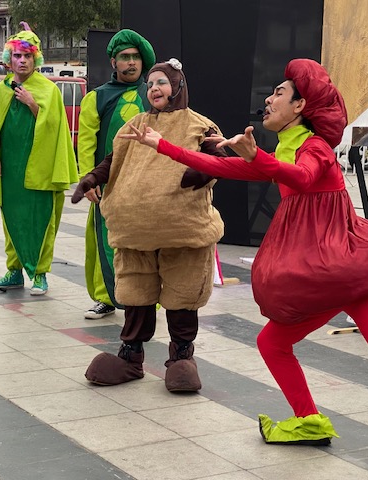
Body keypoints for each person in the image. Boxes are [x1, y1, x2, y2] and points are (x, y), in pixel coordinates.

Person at [120, 59, 368, 479]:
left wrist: (256, 156)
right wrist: (160, 144)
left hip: (348, 268)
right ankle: (308, 419)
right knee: (273, 343)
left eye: (279, 92)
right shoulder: (283, 147)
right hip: (323, 271)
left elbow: (300, 177)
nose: (269, 98)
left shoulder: (312, 147)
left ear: (299, 107)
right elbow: (224, 167)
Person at [72, 58, 225, 392]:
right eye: (151, 83)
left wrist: (202, 170)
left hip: (182, 230)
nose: (154, 88)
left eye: (162, 82)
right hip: (134, 231)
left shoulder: (199, 125)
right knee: (137, 294)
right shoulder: (136, 124)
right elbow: (113, 161)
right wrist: (91, 178)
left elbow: (221, 155)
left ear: (178, 86)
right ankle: (130, 357)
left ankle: (182, 357)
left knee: (182, 293)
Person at [0, 24, 78, 296]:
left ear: (36, 60)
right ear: (9, 60)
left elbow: (55, 129)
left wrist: (33, 104)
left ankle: (40, 273)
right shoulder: (3, 90)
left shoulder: (48, 90)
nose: (22, 61)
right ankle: (14, 270)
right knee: (11, 219)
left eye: (27, 56)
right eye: (17, 56)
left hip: (38, 168)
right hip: (10, 168)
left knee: (41, 219)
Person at [73, 29, 156, 320]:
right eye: (125, 57)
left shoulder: (154, 95)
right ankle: (106, 297)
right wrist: (88, 179)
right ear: (113, 62)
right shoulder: (97, 98)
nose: (131, 63)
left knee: (145, 240)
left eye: (135, 57)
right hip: (107, 184)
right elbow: (85, 142)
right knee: (104, 241)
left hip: (147, 184)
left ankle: (146, 297)